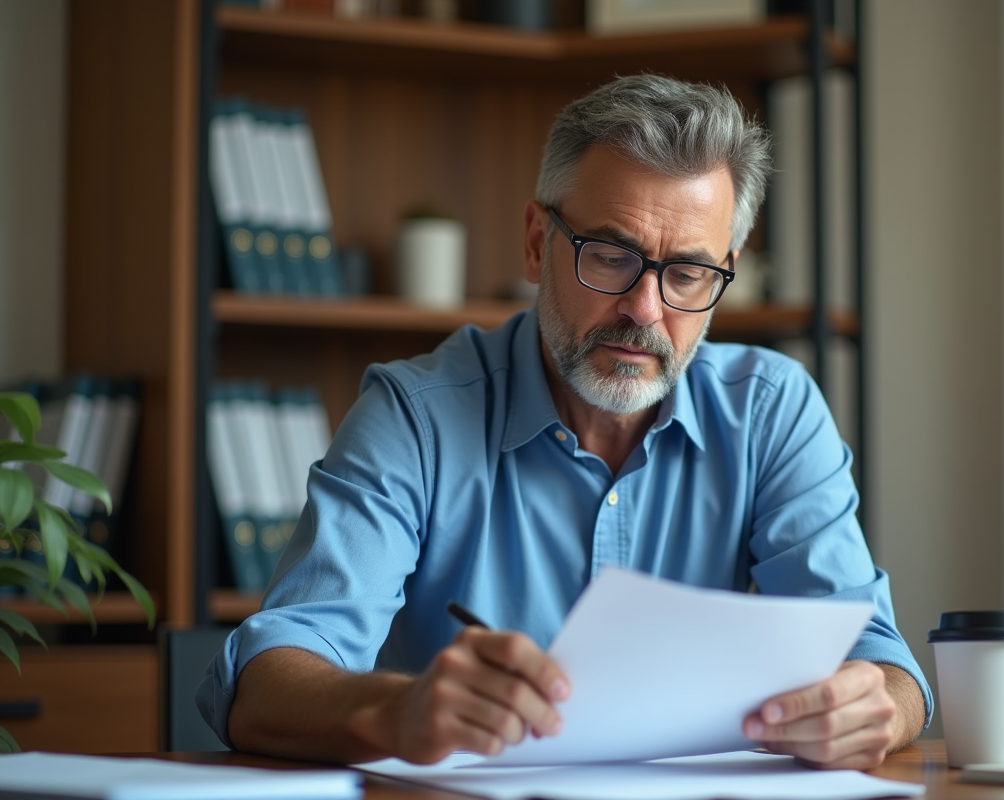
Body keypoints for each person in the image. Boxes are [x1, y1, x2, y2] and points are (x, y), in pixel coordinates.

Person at [198, 73, 932, 770]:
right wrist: (399, 710)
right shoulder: (414, 418)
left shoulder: (772, 411)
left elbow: (880, 660)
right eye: (610, 255)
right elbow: (263, 684)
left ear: (724, 274)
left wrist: (877, 709)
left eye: (686, 274)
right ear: (534, 241)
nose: (645, 311)